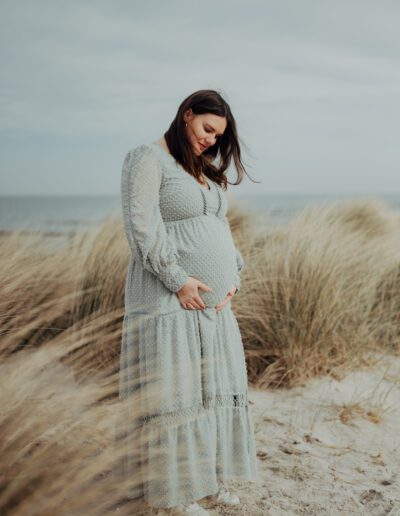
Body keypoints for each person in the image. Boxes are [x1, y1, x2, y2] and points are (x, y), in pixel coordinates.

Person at [119, 89, 260, 515]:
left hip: (214, 307)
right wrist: (178, 280)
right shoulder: (146, 158)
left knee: (210, 392)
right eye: (207, 129)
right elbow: (140, 228)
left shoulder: (201, 169)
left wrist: (232, 274)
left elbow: (220, 226)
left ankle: (209, 480)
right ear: (187, 115)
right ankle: (174, 495)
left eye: (218, 136)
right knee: (175, 394)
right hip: (168, 297)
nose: (211, 140)